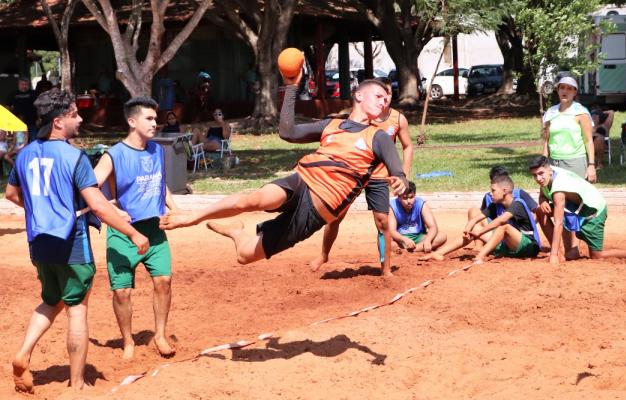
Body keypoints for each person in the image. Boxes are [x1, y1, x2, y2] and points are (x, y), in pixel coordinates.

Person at [159, 74, 407, 266]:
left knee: (245, 256)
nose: (384, 102)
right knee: (253, 199)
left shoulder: (379, 137)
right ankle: (192, 217)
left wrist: (401, 181)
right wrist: (290, 87)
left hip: (315, 213)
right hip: (302, 180)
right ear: (359, 96)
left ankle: (237, 233)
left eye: (386, 100)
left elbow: (397, 170)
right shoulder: (332, 124)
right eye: (378, 96)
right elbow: (288, 132)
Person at [6, 89, 149, 394]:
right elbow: (96, 205)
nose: (81, 118)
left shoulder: (26, 153)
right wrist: (133, 232)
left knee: (52, 299)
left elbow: (12, 195)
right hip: (72, 242)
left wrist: (42, 209)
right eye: (74, 114)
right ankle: (77, 384)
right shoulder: (74, 156)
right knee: (77, 309)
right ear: (59, 121)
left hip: (40, 243)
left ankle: (23, 353)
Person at [93, 97, 179, 359]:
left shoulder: (157, 151)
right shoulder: (113, 155)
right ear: (132, 121)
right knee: (122, 292)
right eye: (149, 119)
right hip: (123, 233)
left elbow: (160, 183)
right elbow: (91, 186)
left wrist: (174, 208)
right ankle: (128, 341)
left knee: (164, 281)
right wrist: (110, 206)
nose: (156, 123)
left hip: (154, 230)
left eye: (156, 118)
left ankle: (160, 335)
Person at [310, 78, 414, 276]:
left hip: (380, 177)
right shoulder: (366, 114)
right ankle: (324, 254)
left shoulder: (398, 119)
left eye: (389, 94)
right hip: (354, 173)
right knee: (335, 217)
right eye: (380, 95)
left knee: (383, 222)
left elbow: (408, 146)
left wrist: (403, 175)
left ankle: (386, 269)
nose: (385, 99)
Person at [528, 155, 626, 263]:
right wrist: (542, 201)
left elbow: (558, 223)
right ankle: (561, 253)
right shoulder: (548, 174)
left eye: (540, 173)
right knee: (541, 211)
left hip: (594, 211)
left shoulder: (558, 188)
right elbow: (543, 194)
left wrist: (552, 256)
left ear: (549, 170)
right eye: (535, 175)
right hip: (577, 208)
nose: (538, 178)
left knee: (597, 255)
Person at [421, 173, 540, 263]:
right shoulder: (496, 205)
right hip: (509, 246)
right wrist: (468, 230)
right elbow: (475, 219)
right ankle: (439, 253)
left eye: (493, 190)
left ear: (505, 191)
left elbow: (501, 221)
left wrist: (479, 233)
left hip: (529, 246)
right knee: (475, 230)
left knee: (503, 227)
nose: (491, 193)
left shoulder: (517, 203)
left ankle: (480, 256)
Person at [541, 76, 597, 182]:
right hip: (554, 163)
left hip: (575, 162)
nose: (565, 91)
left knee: (574, 197)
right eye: (562, 87)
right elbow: (546, 141)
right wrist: (543, 163)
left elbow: (589, 141)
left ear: (575, 92)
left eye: (569, 88)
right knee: (556, 197)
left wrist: (591, 165)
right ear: (557, 90)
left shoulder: (581, 112)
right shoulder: (550, 112)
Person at [389, 181, 446, 253]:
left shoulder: (421, 204)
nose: (409, 201)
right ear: (399, 198)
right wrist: (404, 239)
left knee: (442, 236)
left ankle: (408, 251)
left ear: (415, 195)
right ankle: (416, 249)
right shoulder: (392, 206)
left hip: (419, 237)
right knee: (386, 239)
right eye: (405, 198)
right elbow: (392, 231)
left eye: (411, 197)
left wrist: (428, 240)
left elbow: (433, 227)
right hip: (400, 239)